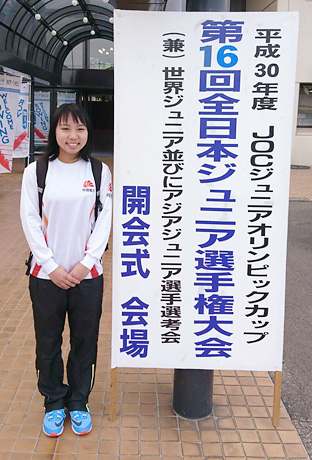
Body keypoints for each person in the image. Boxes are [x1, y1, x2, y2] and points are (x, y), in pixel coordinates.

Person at [20, 103, 112, 437]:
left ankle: (78, 402)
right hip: (46, 278)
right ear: (54, 132)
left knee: (84, 342)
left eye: (80, 129)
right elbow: (30, 221)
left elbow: (104, 221)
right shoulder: (37, 171)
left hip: (88, 277)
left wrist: (86, 263)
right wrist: (52, 265)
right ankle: (54, 403)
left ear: (88, 133)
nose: (72, 136)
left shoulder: (99, 172)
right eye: (65, 128)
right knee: (48, 342)